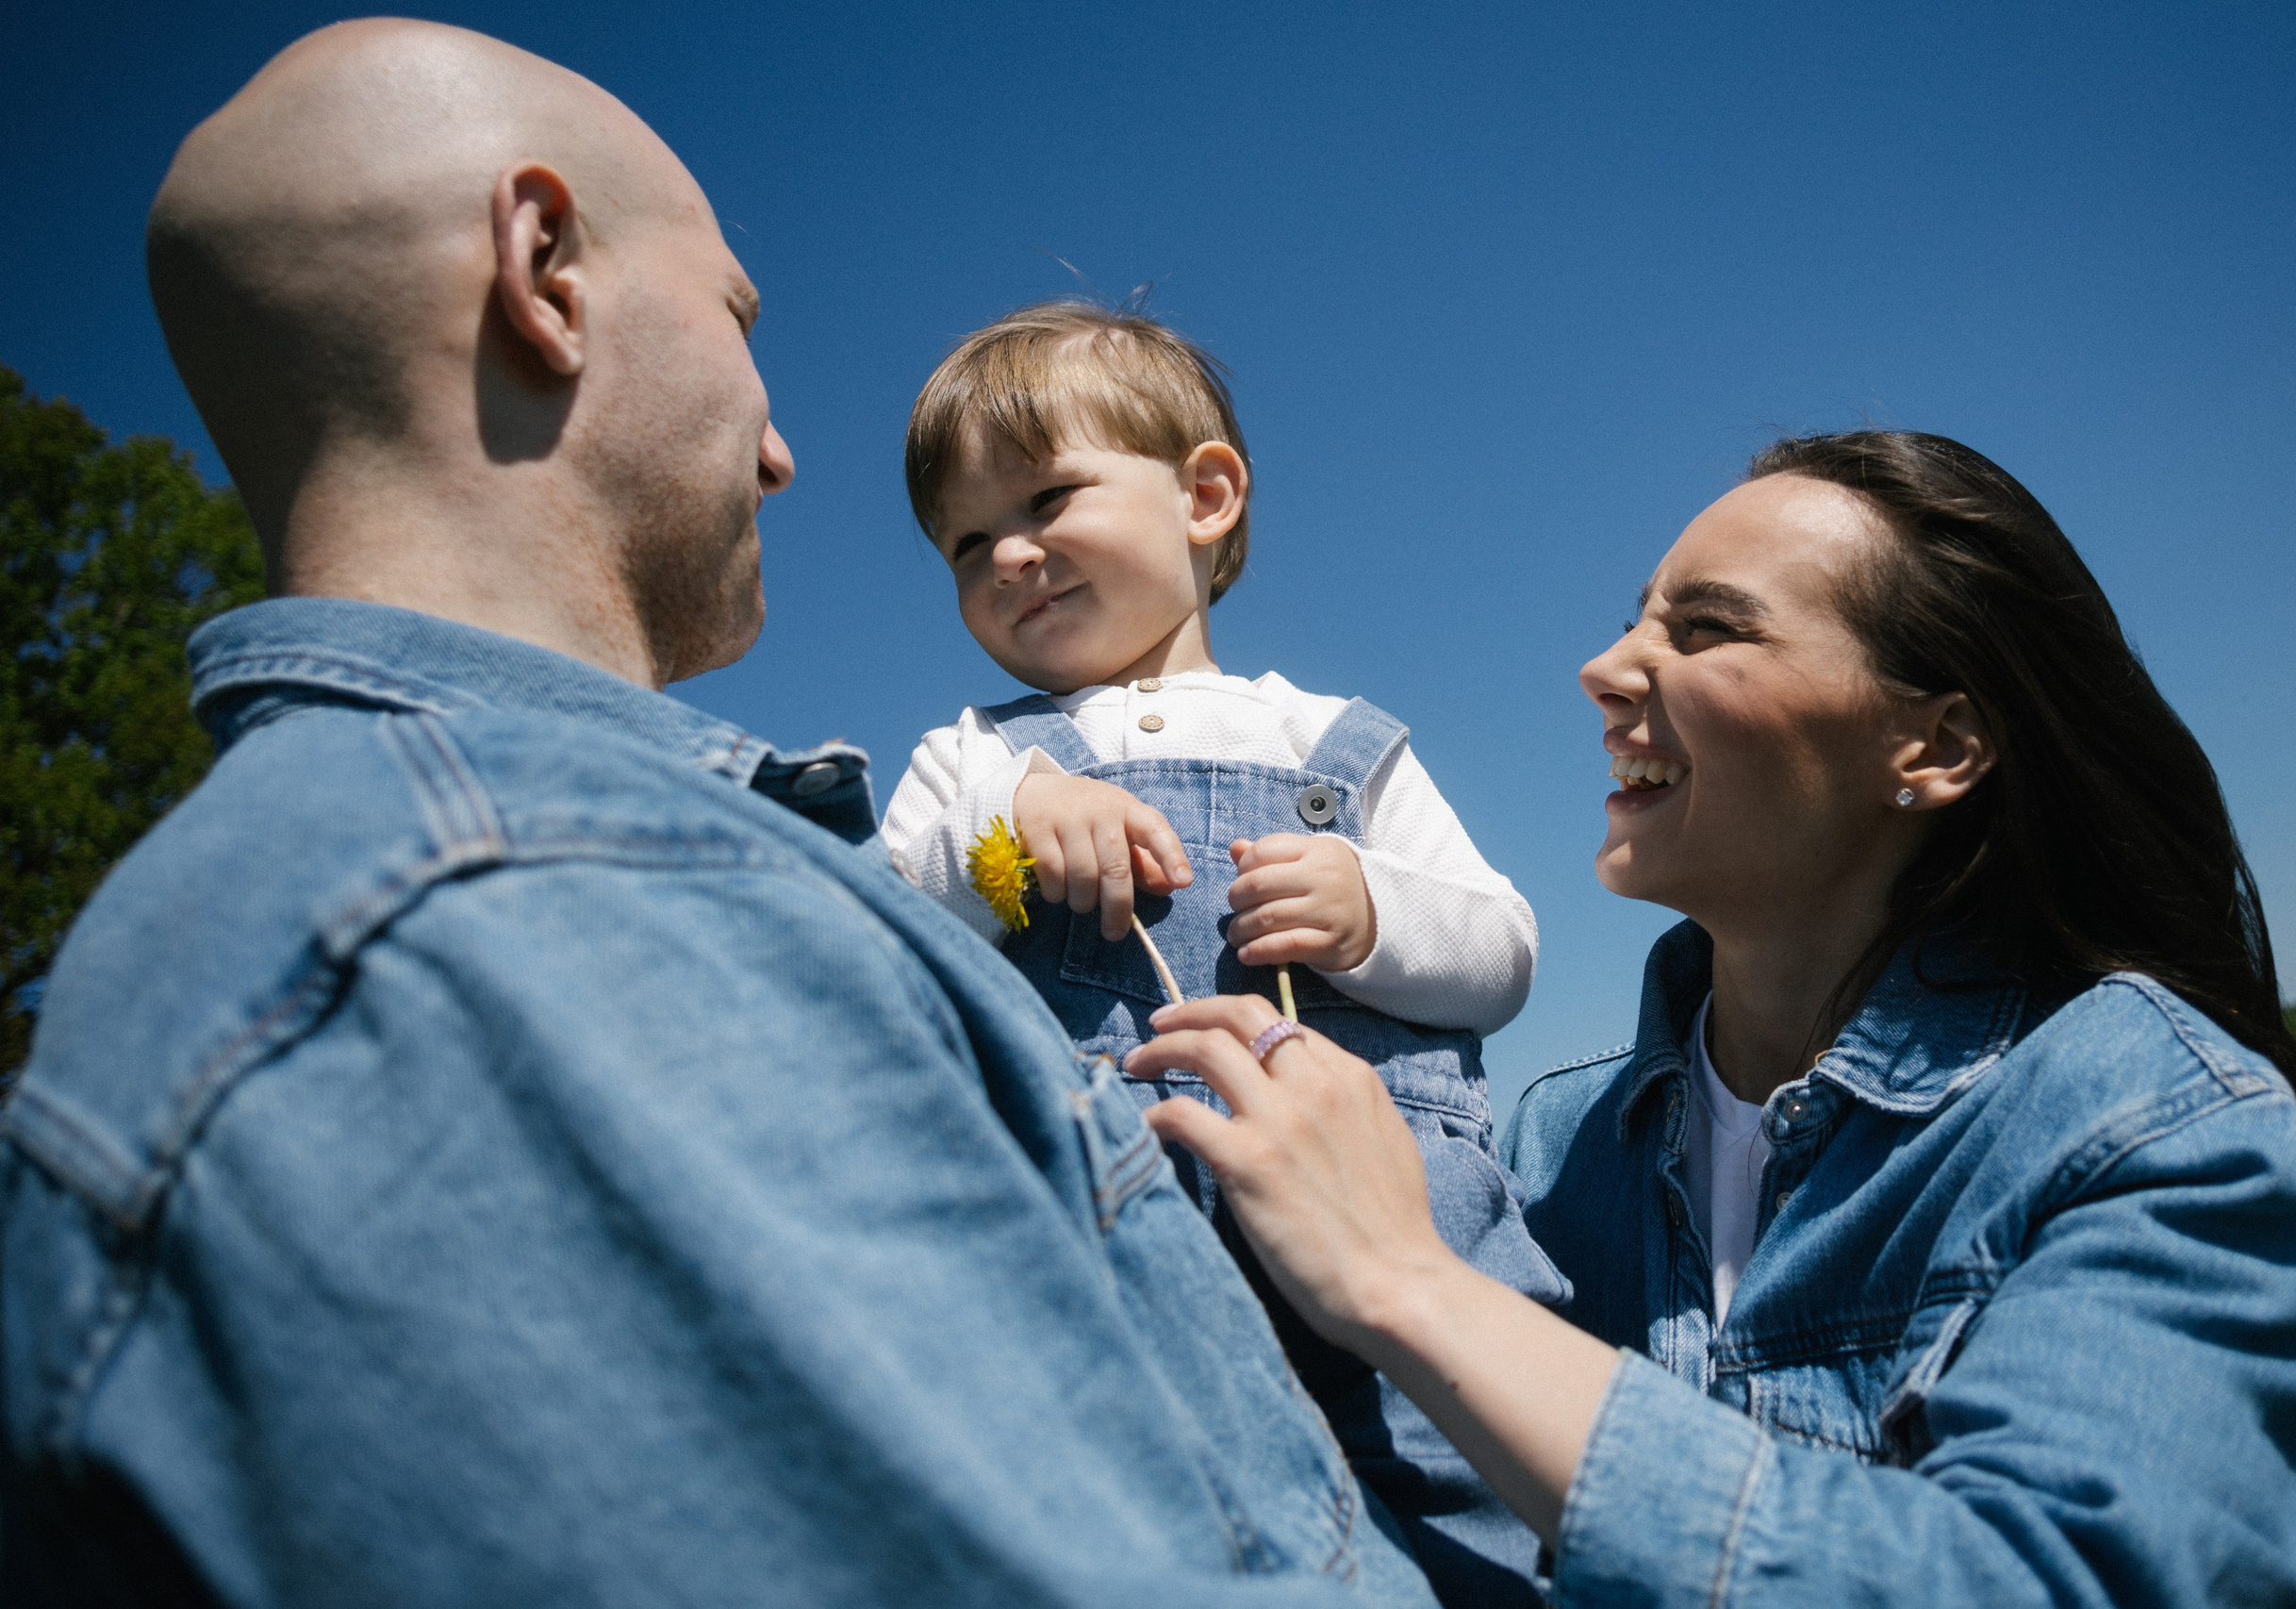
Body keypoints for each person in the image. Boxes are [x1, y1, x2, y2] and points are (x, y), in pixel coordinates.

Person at [0, 23, 1441, 1606]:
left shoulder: (394, 901)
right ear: (545, 271)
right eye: (740, 318)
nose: (780, 446)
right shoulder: (509, 923)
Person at [1126, 431, 2296, 1606]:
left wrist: (1405, 1281)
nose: (1608, 668)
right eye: (1633, 621)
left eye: (1710, 628)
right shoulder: (1559, 1143)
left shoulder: (2167, 1138)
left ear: (1937, 746)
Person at [882, 302, 1566, 1601]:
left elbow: (1503, 951)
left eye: (1045, 499)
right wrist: (1008, 838)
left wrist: (1370, 909)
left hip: (1388, 1215)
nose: (1010, 556)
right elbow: (890, 925)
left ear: (1204, 496)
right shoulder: (975, 757)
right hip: (1105, 1234)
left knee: (1469, 1512)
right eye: (968, 542)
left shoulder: (1334, 742)